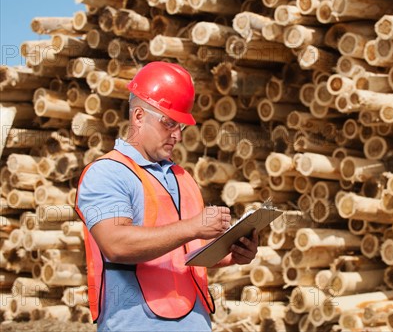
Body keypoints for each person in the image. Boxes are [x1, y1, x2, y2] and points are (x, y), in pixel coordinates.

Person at [76, 62, 258, 332]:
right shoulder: (107, 173)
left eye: (181, 126)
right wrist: (193, 226)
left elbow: (182, 256)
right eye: (169, 123)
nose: (177, 136)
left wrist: (231, 254)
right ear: (138, 116)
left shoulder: (181, 178)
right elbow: (116, 244)